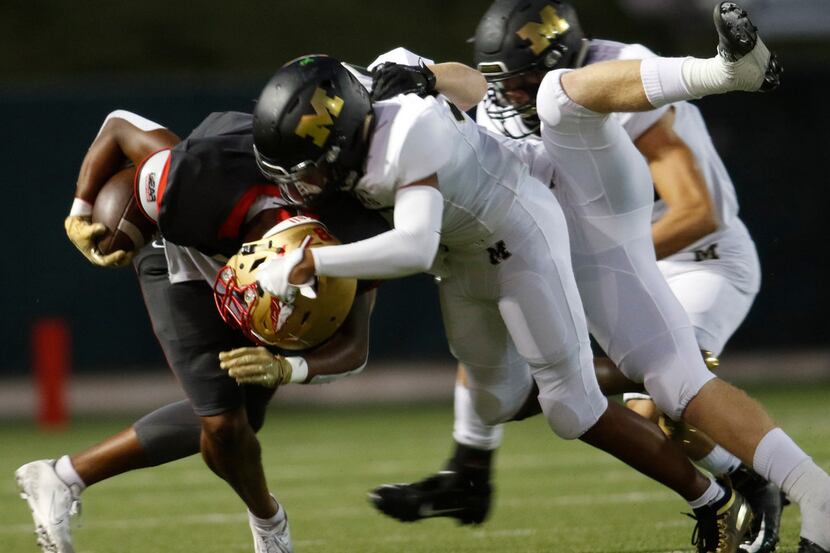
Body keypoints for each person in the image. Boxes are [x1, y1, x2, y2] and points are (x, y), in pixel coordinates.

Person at [247, 12, 789, 546]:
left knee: (578, 406)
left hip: (556, 235)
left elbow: (414, 244)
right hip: (472, 250)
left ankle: (723, 496)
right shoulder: (368, 105)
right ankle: (478, 468)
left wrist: (311, 264)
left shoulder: (408, 132)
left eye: (311, 168)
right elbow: (476, 88)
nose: (305, 185)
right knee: (498, 396)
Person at [14, 58, 490, 553]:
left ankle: (61, 476)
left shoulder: (351, 227)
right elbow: (118, 125)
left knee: (240, 424)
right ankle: (269, 526)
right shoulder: (197, 177)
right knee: (223, 421)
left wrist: (289, 369)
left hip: (277, 281)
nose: (297, 185)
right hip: (181, 263)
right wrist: (82, 209)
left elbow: (354, 348)